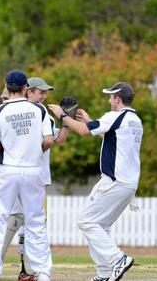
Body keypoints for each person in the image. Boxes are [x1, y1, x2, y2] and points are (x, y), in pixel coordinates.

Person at [48, 82, 142, 281]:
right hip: (128, 183)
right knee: (101, 225)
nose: (109, 100)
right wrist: (92, 122)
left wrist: (61, 115)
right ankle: (104, 274)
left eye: (110, 96)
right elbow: (110, 136)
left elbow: (82, 131)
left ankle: (118, 259)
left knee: (86, 221)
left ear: (118, 98)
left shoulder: (115, 116)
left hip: (114, 181)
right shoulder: (134, 119)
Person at [0, 71, 54, 281]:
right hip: (33, 169)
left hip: (7, 169)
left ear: (7, 87)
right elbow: (49, 140)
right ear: (26, 88)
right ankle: (43, 272)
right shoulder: (38, 110)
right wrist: (35, 151)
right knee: (36, 222)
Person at [2, 77, 71, 281]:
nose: (45, 96)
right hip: (18, 175)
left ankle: (27, 269)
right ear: (28, 92)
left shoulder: (44, 115)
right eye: (41, 92)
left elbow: (59, 140)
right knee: (16, 220)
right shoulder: (13, 113)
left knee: (28, 223)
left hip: (37, 177)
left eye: (45, 92)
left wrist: (66, 119)